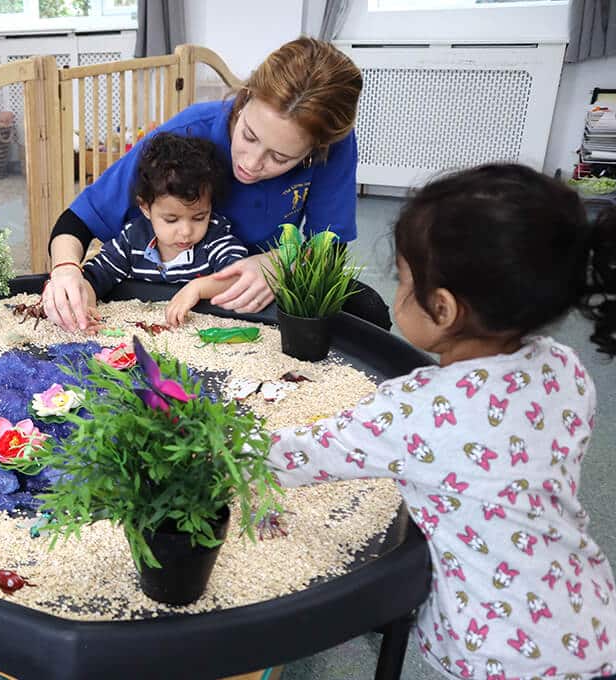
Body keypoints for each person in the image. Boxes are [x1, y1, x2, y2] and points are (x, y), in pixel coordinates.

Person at [267, 164, 616, 680]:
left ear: (444, 308)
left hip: (498, 656)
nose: (397, 289)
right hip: (591, 623)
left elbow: (298, 454)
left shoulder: (419, 409)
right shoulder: (564, 369)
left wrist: (209, 437)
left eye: (404, 280)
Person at [43, 36, 388, 332]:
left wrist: (279, 265)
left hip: (253, 287)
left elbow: (331, 246)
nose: (250, 164)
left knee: (366, 308)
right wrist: (66, 271)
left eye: (280, 159)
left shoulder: (334, 148)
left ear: (315, 151)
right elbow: (79, 221)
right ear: (245, 96)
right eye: (249, 135)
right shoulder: (187, 131)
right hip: (171, 287)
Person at [77, 132, 248, 327]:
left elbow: (238, 276)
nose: (185, 231)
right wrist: (87, 305)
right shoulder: (133, 239)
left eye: (199, 217)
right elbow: (94, 276)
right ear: (145, 208)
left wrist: (198, 288)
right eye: (171, 219)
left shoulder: (215, 237)